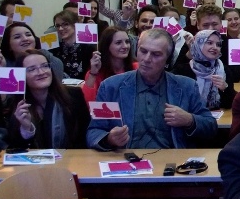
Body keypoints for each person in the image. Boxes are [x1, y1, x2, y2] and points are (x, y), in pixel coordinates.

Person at [86, 28, 217, 150]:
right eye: (143, 51)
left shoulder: (186, 86)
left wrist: (189, 120)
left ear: (167, 60)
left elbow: (210, 126)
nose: (147, 59)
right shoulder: (110, 87)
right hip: (126, 161)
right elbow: (94, 131)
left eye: (156, 54)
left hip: (172, 163)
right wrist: (108, 139)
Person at [6, 50, 90, 150]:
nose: (41, 72)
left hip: (71, 161)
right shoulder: (18, 105)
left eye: (45, 66)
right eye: (32, 69)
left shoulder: (74, 95)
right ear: (21, 76)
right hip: (34, 164)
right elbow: (14, 148)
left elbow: (85, 135)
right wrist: (26, 129)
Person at [171, 30, 235, 110]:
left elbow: (230, 104)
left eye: (218, 44)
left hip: (218, 119)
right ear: (198, 44)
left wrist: (225, 88)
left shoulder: (224, 69)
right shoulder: (182, 70)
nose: (215, 47)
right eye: (209, 43)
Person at [83, 27, 136, 103]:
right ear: (107, 46)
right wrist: (93, 74)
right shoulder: (95, 72)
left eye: (127, 42)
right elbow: (88, 103)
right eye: (118, 43)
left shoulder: (137, 67)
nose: (125, 46)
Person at [51, 10, 95, 79]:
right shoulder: (54, 49)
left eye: (65, 24)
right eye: (57, 25)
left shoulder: (88, 48)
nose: (60, 28)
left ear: (75, 25)